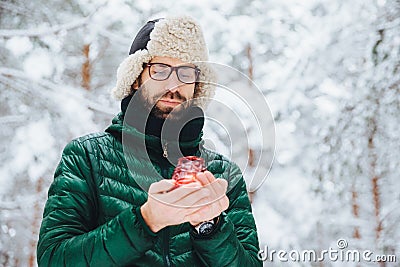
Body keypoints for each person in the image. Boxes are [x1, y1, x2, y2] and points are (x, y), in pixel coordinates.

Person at [37, 15, 262, 266]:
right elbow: (53, 259)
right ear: (136, 78)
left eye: (186, 72)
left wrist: (210, 228)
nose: (173, 84)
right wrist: (146, 220)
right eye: (160, 70)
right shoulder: (87, 157)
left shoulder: (223, 174)